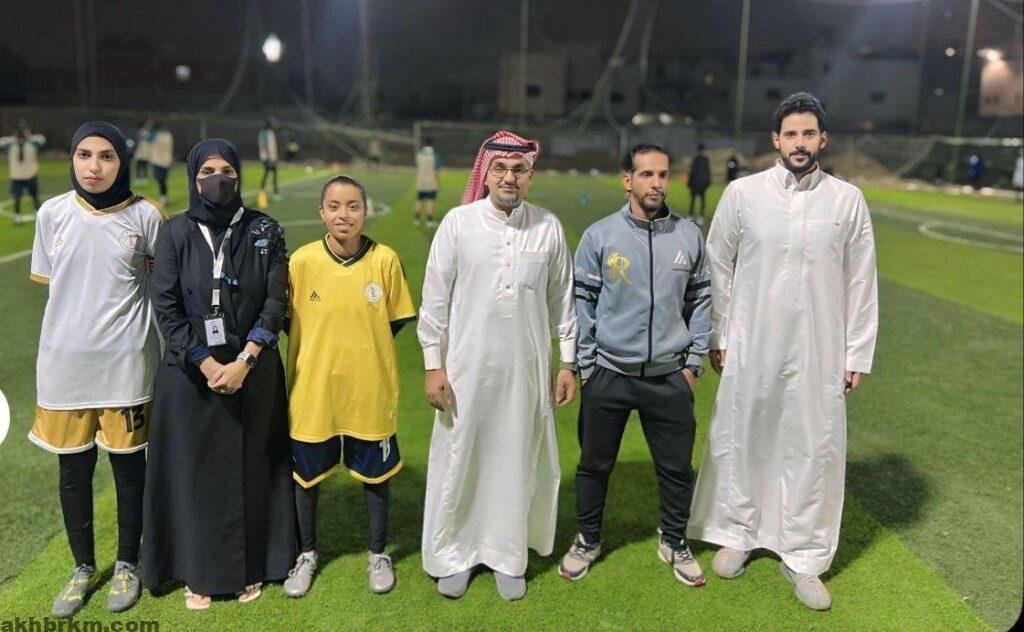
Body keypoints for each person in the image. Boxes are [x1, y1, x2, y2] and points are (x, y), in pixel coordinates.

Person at [688, 92, 878, 611]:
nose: (799, 142)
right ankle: (738, 532)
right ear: (775, 139)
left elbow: (861, 279)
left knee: (813, 443)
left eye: (808, 133)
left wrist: (856, 352)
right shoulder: (743, 194)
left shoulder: (847, 200)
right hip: (753, 339)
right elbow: (716, 264)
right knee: (746, 432)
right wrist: (719, 334)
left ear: (823, 139)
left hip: (821, 344)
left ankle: (805, 555)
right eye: (790, 134)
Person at [418, 131, 577, 601]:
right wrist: (432, 365)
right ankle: (454, 554)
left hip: (525, 371)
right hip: (465, 370)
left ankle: (508, 556)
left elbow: (563, 300)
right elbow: (434, 300)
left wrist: (568, 362)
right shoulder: (458, 223)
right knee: (461, 457)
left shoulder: (548, 227)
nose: (510, 177)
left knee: (515, 458)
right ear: (485, 174)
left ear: (531, 176)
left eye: (519, 170)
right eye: (501, 169)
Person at [143, 139, 295, 610]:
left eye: (226, 169)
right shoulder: (174, 232)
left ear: (239, 174)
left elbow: (276, 300)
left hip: (253, 371)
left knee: (252, 468)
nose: (218, 178)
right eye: (207, 171)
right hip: (191, 375)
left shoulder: (264, 228)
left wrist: (245, 360)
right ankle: (198, 571)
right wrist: (207, 362)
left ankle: (253, 567)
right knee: (194, 474)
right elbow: (165, 305)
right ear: (193, 177)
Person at [559, 143, 711, 587]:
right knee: (594, 465)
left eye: (663, 174)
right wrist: (588, 367)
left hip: (669, 377)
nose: (656, 183)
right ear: (627, 180)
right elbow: (582, 303)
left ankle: (675, 540)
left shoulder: (688, 235)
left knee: (676, 468)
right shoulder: (599, 236)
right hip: (610, 374)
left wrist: (692, 365)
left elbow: (702, 302)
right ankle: (588, 539)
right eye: (646, 174)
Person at [29, 121, 164, 617]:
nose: (94, 166)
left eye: (106, 156)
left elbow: (162, 289)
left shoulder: (147, 215)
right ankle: (83, 568)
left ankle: (128, 563)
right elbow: (58, 286)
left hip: (126, 363)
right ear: (72, 158)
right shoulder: (52, 213)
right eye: (84, 154)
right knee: (73, 469)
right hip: (63, 364)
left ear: (122, 162)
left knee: (129, 467)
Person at [282, 175, 417, 598]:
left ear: (366, 210)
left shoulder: (385, 260)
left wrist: (360, 351)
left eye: (353, 206)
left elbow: (393, 321)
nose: (344, 214)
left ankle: (378, 553)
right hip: (312, 391)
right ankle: (307, 554)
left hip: (368, 391)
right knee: (305, 478)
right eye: (335, 206)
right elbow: (286, 321)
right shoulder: (301, 262)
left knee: (377, 476)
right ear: (321, 212)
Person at [1, 124, 45, 225]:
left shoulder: (11, 145)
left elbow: (42, 139)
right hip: (23, 176)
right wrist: (28, 137)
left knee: (27, 197)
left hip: (24, 175)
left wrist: (13, 138)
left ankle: (19, 217)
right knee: (29, 197)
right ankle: (22, 217)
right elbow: (41, 139)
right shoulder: (32, 144)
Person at [413, 137, 441, 229]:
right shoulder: (435, 155)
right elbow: (437, 171)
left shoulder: (418, 155)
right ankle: (429, 221)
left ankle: (416, 219)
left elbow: (416, 168)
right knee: (430, 201)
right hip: (431, 183)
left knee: (419, 200)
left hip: (421, 182)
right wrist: (438, 182)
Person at [148, 121, 173, 206]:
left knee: (160, 180)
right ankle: (164, 197)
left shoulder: (155, 135)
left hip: (158, 161)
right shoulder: (168, 135)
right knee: (162, 180)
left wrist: (147, 127)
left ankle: (163, 197)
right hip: (165, 160)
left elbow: (146, 138)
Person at [259, 117, 283, 201]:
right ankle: (262, 193)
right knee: (266, 174)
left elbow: (273, 146)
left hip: (272, 158)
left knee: (274, 175)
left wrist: (275, 157)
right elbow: (263, 146)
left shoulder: (271, 132)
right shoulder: (263, 133)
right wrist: (266, 158)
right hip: (267, 158)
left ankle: (275, 193)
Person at [687, 143, 711, 223]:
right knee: (702, 200)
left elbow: (692, 171)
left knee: (693, 199)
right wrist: (708, 182)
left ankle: (691, 216)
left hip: (695, 182)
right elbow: (708, 172)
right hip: (702, 183)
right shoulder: (706, 160)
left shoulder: (696, 159)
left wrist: (689, 182)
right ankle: (700, 217)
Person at [133, 119, 154, 184]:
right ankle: (138, 178)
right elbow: (137, 140)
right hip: (139, 152)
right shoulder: (140, 132)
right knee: (138, 166)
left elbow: (151, 141)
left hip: (146, 152)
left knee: (145, 166)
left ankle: (145, 178)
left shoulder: (149, 133)